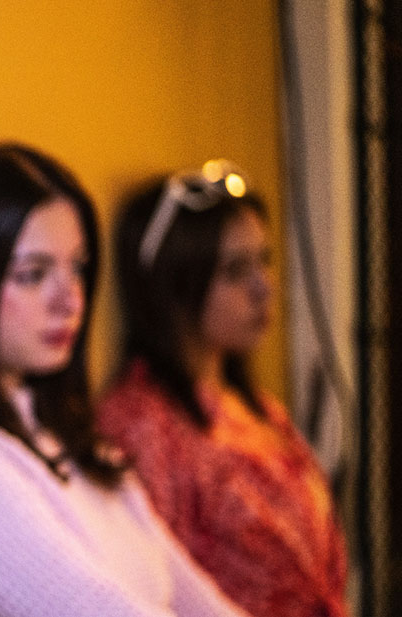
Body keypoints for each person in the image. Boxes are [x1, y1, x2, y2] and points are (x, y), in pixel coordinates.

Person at [0, 139, 249, 617]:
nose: (71, 300)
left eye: (77, 269)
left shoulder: (65, 435)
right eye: (34, 274)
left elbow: (195, 596)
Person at [98, 161, 346, 617]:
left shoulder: (255, 406)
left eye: (264, 261)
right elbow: (150, 589)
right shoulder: (141, 425)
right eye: (234, 271)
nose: (263, 287)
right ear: (174, 286)